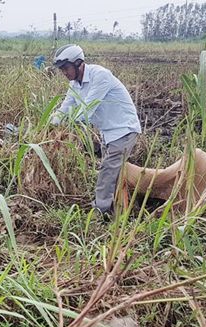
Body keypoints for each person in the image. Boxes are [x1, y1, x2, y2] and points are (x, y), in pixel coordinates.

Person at [50, 44, 141, 215]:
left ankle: (100, 210)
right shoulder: (74, 85)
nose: (64, 73)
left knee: (107, 171)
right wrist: (49, 124)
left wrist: (66, 123)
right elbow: (65, 108)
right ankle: (121, 209)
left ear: (78, 63)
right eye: (61, 69)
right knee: (115, 172)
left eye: (66, 68)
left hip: (123, 130)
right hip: (108, 132)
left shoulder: (100, 76)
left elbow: (86, 109)